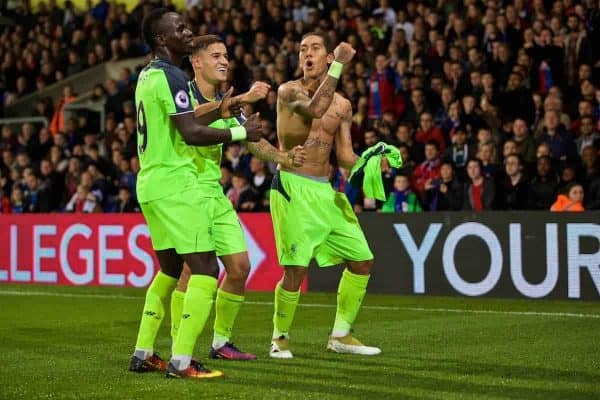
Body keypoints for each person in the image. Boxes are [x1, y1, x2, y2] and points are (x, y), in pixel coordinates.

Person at [128, 9, 263, 380]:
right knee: (205, 268)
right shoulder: (171, 75)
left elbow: (182, 119)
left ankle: (143, 352)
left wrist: (222, 108)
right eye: (180, 29)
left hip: (151, 182)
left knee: (170, 269)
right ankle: (182, 361)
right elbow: (188, 132)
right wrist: (238, 134)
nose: (188, 32)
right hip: (177, 183)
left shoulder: (148, 75)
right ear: (160, 39)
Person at [169, 35, 306, 362]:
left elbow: (252, 140)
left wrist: (284, 158)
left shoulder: (224, 98)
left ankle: (221, 343)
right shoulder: (181, 94)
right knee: (191, 271)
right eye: (216, 55)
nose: (224, 61)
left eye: (227, 55)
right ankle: (179, 344)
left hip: (214, 192)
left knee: (240, 266)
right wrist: (241, 98)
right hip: (185, 191)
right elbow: (192, 121)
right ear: (196, 62)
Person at [269, 32, 380, 358]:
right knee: (296, 270)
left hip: (324, 190)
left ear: (327, 56)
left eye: (315, 48)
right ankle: (280, 339)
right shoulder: (288, 91)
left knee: (362, 260)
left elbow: (345, 156)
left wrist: (372, 162)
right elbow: (315, 110)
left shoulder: (344, 105)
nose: (307, 53)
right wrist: (341, 66)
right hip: (291, 185)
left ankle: (341, 335)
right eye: (302, 48)